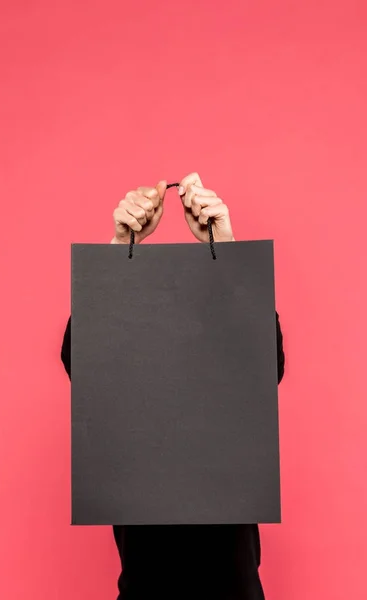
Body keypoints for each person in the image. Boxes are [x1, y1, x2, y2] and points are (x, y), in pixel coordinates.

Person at [61, 172, 285, 600]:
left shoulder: (230, 383)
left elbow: (263, 363)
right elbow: (83, 360)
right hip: (143, 586)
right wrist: (116, 251)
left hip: (234, 588)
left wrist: (229, 250)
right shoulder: (124, 383)